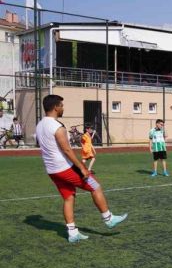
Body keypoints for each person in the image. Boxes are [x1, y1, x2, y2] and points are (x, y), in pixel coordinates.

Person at [35, 95, 127, 243]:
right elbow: (67, 150)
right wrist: (82, 168)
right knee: (95, 186)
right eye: (61, 105)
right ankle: (108, 218)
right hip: (64, 167)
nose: (63, 108)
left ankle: (72, 233)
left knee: (69, 197)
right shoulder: (57, 127)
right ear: (55, 107)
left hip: (52, 170)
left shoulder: (40, 125)